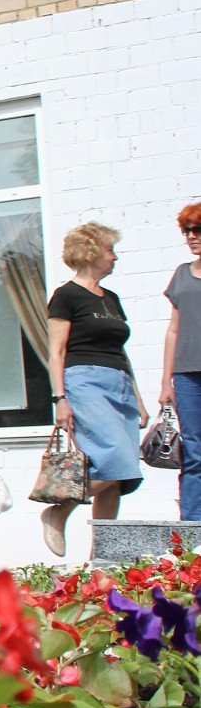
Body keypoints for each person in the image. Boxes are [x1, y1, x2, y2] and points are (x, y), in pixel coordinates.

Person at [39, 224, 149, 554]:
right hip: (84, 381)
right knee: (118, 462)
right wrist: (60, 398)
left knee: (116, 477)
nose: (114, 257)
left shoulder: (111, 298)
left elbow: (121, 351)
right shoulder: (66, 296)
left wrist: (138, 400)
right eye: (109, 250)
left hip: (119, 385)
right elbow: (56, 351)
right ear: (90, 253)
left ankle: (104, 556)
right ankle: (58, 511)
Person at [160, 203, 201, 520]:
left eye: (197, 229)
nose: (191, 236)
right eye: (187, 231)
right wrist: (166, 381)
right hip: (187, 376)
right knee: (195, 451)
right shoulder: (181, 274)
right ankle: (192, 527)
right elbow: (173, 329)